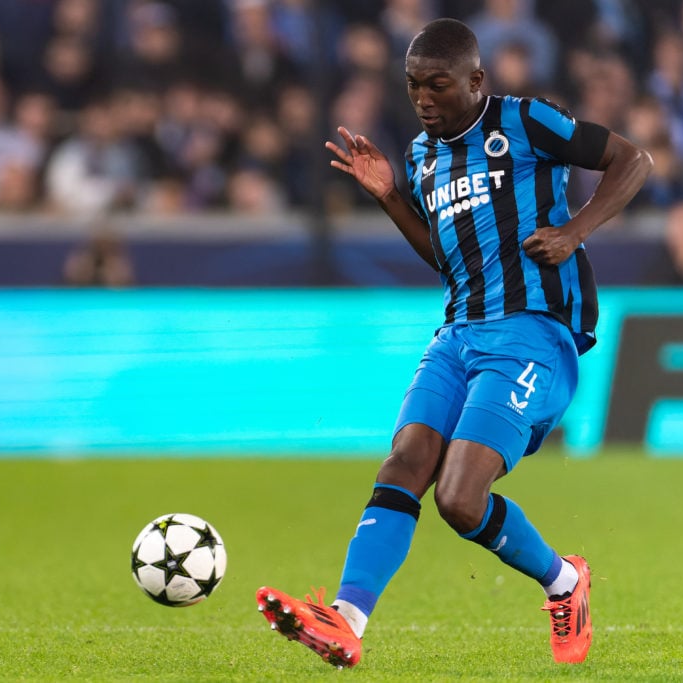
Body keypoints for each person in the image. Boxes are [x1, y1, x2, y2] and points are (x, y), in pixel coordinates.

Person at [256, 18, 652, 669]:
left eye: (437, 85)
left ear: (476, 79)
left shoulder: (524, 122)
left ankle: (563, 581)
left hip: (532, 330)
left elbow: (634, 159)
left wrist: (575, 231)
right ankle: (346, 619)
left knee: (460, 498)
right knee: (406, 459)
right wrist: (389, 195)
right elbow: (447, 258)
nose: (423, 100)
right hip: (457, 330)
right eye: (413, 87)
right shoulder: (420, 156)